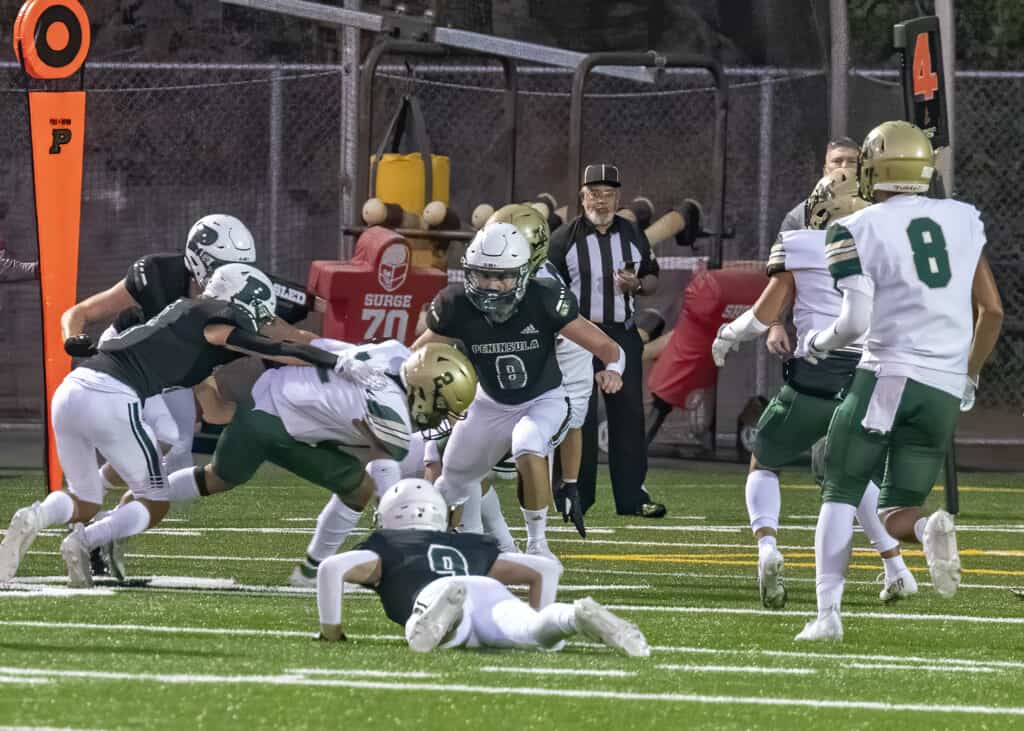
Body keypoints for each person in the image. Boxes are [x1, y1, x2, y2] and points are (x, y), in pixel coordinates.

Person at [794, 121, 1003, 641]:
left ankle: (827, 616)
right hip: (943, 387)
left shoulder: (854, 228)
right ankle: (930, 527)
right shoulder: (961, 218)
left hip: (886, 375)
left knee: (839, 490)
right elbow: (992, 311)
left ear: (874, 168)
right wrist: (968, 374)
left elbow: (855, 324)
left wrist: (818, 343)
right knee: (896, 510)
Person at [0, 264, 335, 586]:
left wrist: (269, 410)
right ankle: (85, 540)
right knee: (155, 501)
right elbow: (258, 343)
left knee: (85, 500)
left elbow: (217, 410)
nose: (259, 322)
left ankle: (34, 517)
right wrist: (333, 360)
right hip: (113, 394)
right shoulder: (213, 318)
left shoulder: (185, 322)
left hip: (73, 389)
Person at [711, 169, 910, 609]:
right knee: (849, 473)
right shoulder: (890, 247)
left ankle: (767, 548)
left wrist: (726, 336)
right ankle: (896, 568)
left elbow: (762, 317)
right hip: (874, 373)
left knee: (764, 461)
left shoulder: (801, 244)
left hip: (818, 371)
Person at [414, 222, 626, 560]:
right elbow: (417, 355)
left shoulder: (544, 299)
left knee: (527, 441)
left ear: (524, 274)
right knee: (451, 482)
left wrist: (613, 371)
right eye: (484, 274)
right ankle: (439, 548)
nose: (493, 285)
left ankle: (538, 545)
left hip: (543, 399)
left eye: (503, 276)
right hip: (488, 402)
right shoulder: (456, 304)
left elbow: (608, 347)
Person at [316, 478, 649, 656]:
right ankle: (571, 616)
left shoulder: (386, 544)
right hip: (485, 590)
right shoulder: (469, 543)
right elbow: (544, 570)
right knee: (533, 632)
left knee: (422, 635)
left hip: (431, 592)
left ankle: (442, 613)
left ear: (389, 516)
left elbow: (330, 568)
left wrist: (332, 633)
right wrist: (537, 610)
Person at [548, 163, 665, 518]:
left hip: (620, 332)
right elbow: (548, 288)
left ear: (619, 197)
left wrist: (638, 286)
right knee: (576, 415)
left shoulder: (631, 233)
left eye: (608, 194)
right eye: (594, 193)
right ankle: (573, 496)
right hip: (578, 334)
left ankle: (633, 497)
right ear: (582, 197)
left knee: (628, 415)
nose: (601, 200)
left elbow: (652, 277)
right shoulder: (564, 239)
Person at [491, 203, 593, 536]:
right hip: (533, 346)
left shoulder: (545, 284)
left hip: (563, 346)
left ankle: (555, 500)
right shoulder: (504, 270)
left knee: (549, 427)